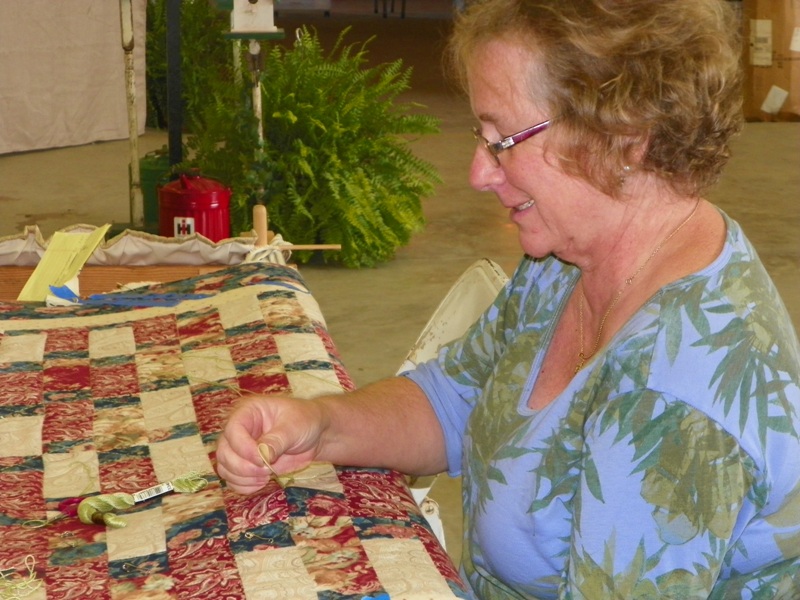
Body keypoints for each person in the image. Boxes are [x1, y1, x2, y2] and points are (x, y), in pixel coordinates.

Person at [216, 0, 800, 597]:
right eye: (482, 136)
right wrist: (321, 424)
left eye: (504, 140)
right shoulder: (570, 258)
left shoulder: (672, 397)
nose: (479, 173)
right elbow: (454, 400)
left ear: (624, 137)